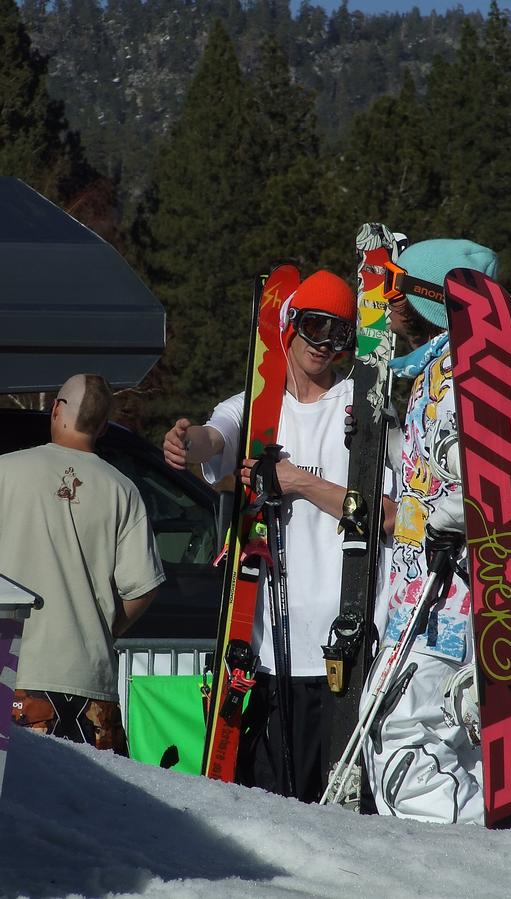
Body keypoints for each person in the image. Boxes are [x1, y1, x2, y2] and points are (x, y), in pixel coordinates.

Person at [163, 269, 395, 802]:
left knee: (331, 802)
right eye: (314, 327)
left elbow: (387, 515)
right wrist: (186, 442)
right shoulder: (257, 400)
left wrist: (298, 482)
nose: (324, 346)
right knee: (269, 801)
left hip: (345, 640)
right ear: (290, 326)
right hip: (266, 640)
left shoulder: (363, 407)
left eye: (338, 334)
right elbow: (215, 441)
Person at [361, 238, 499, 824]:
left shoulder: (463, 378)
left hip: (443, 605)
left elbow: (480, 490)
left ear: (432, 298)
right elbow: (428, 473)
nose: (388, 298)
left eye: (399, 285)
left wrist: (432, 520)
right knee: (432, 749)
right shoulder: (431, 374)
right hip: (416, 596)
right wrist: (384, 432)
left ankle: (485, 862)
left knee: (402, 755)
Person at [4, 374, 165, 753]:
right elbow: (144, 587)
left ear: (56, 409)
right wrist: (102, 628)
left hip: (16, 675)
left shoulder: (4, 472)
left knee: (16, 808)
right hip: (91, 686)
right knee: (98, 808)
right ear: (104, 426)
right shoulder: (122, 489)